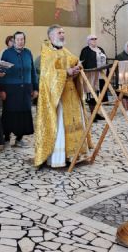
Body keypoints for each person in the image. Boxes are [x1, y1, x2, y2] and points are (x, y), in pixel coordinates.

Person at [34, 25, 88, 168]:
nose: (63, 35)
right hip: (58, 96)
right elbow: (48, 75)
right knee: (60, 124)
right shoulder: (47, 52)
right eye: (59, 33)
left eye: (63, 32)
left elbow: (74, 61)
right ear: (51, 36)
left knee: (75, 122)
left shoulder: (65, 50)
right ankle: (59, 157)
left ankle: (74, 154)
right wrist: (66, 72)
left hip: (71, 93)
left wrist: (77, 68)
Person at [0, 31, 38, 147]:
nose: (20, 42)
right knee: (9, 113)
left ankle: (19, 138)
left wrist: (35, 88)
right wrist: (1, 89)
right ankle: (6, 138)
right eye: (18, 39)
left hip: (25, 89)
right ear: (14, 41)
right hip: (11, 89)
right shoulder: (7, 53)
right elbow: (1, 73)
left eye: (22, 39)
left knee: (23, 114)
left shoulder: (28, 53)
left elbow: (33, 71)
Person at [79, 34, 108, 106]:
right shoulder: (85, 50)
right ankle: (93, 107)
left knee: (101, 89)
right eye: (92, 39)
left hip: (102, 73)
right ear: (88, 41)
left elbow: (105, 60)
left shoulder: (100, 49)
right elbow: (82, 62)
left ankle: (100, 106)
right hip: (91, 74)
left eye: (95, 39)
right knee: (92, 92)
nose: (94, 40)